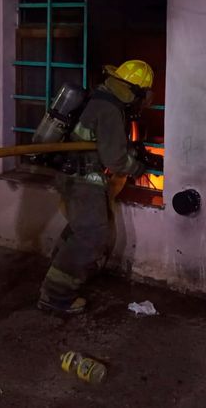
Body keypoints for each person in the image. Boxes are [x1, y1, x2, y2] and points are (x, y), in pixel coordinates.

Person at [37, 60, 156, 315]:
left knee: (80, 229)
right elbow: (114, 158)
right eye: (145, 94)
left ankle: (56, 276)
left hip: (71, 174)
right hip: (83, 179)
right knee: (92, 235)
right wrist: (137, 168)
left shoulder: (101, 96)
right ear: (136, 91)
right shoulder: (111, 109)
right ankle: (56, 295)